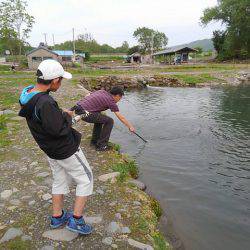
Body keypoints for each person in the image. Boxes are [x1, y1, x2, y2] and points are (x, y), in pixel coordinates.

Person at [18, 59, 93, 235]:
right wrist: (68, 118)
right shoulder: (46, 102)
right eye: (61, 80)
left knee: (59, 180)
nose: (61, 83)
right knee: (86, 179)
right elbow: (58, 130)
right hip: (64, 149)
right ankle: (76, 220)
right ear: (54, 80)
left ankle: (57, 216)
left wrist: (60, 113)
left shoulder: (28, 94)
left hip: (50, 150)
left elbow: (44, 118)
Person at [72, 86, 135, 151]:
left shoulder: (102, 91)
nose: (119, 100)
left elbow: (88, 95)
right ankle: (102, 145)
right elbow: (121, 117)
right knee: (110, 121)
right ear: (117, 95)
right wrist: (130, 126)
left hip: (78, 109)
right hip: (85, 114)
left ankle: (94, 142)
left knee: (100, 119)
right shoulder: (111, 101)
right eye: (120, 98)